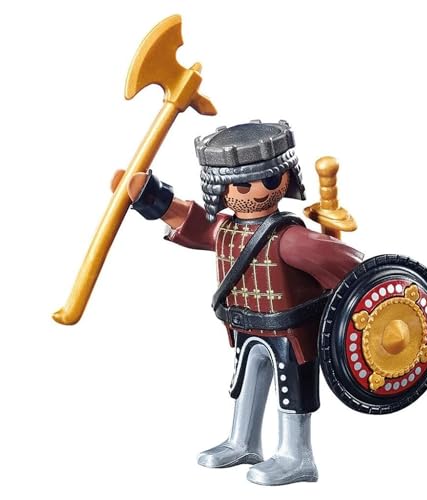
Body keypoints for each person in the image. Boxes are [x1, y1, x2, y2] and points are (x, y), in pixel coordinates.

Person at [111, 120, 363, 486]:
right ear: (221, 188)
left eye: (270, 180)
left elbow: (350, 268)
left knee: (292, 391)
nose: (258, 191)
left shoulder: (291, 238)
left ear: (286, 178)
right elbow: (189, 220)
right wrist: (148, 195)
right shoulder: (224, 229)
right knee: (246, 383)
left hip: (292, 334)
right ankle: (243, 442)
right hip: (245, 326)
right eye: (243, 185)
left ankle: (296, 456)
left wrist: (337, 253)